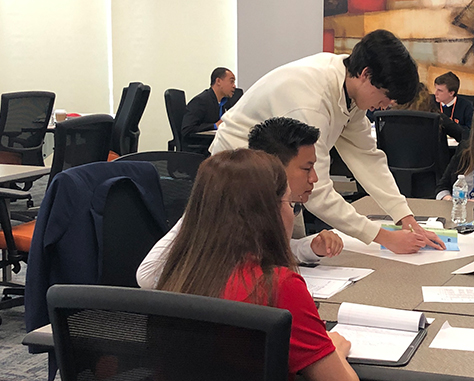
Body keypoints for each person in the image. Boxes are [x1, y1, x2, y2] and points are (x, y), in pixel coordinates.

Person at [209, 29, 444, 254]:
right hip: (240, 168)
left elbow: (367, 157)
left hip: (279, 177)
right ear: (365, 74)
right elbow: (317, 190)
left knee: (289, 249)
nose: (385, 106)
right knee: (257, 252)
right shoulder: (311, 100)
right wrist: (384, 237)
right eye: (386, 96)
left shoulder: (349, 90)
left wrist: (405, 218)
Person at [155, 148, 361, 381]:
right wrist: (335, 350)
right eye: (290, 203)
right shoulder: (278, 287)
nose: (290, 213)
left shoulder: (178, 273)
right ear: (268, 213)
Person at [137, 117, 343, 289]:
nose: (314, 178)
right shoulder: (223, 203)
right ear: (273, 167)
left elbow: (261, 248)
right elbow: (146, 276)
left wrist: (310, 248)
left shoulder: (274, 205)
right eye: (307, 168)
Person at [182, 67, 238, 136]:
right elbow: (187, 129)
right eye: (231, 81)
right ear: (218, 81)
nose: (234, 86)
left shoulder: (226, 102)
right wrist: (215, 126)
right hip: (202, 144)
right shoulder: (200, 101)